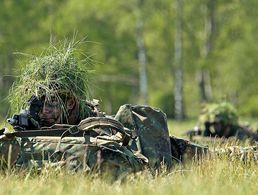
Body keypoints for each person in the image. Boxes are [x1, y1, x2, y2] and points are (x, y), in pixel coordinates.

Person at [0, 41, 206, 176]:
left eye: (46, 101)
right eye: (34, 101)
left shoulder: (99, 126)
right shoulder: (34, 127)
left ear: (70, 103)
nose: (39, 109)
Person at [187, 102, 258, 141]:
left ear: (227, 125)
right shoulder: (220, 132)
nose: (215, 127)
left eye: (218, 124)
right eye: (213, 124)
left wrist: (200, 138)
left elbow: (227, 142)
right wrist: (207, 129)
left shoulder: (238, 131)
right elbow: (213, 137)